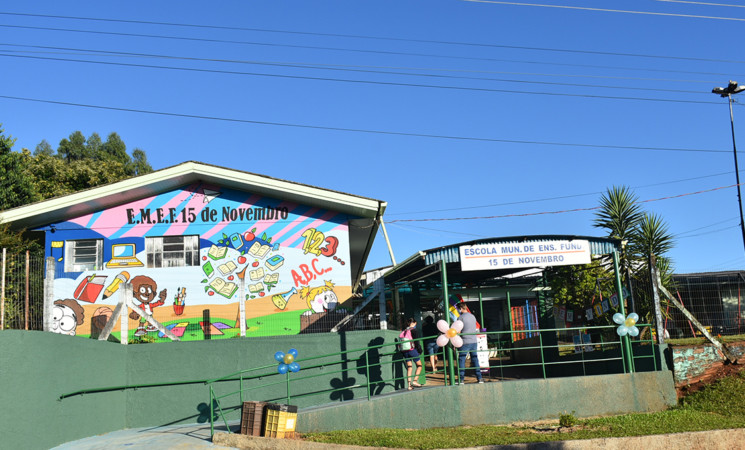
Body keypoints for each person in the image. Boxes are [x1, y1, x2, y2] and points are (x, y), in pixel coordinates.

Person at [456, 303, 483, 384]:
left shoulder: (460, 318)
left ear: (461, 308)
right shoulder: (472, 316)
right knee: (475, 359)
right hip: (474, 341)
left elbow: (458, 331)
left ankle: (461, 379)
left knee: (462, 359)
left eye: (458, 308)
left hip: (464, 341)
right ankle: (480, 378)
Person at [400, 317, 423, 390]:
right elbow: (416, 341)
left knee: (409, 367)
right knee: (419, 365)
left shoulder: (404, 331)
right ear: (413, 323)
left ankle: (409, 385)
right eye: (415, 323)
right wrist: (419, 350)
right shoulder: (414, 330)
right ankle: (415, 381)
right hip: (412, 350)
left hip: (405, 351)